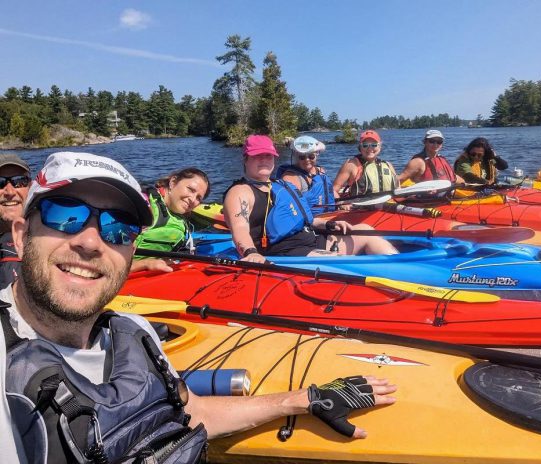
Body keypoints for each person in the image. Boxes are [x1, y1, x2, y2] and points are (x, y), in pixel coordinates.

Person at [1, 151, 396, 463]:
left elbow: (192, 412)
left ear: (130, 250)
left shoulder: (132, 333)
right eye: (64, 216)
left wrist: (300, 399)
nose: (90, 242)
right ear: (20, 237)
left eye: (116, 228)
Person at [224, 135, 399, 264]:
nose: (264, 160)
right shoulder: (241, 192)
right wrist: (251, 252)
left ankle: (402, 267)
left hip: (309, 239)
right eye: (257, 155)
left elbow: (303, 217)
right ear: (245, 159)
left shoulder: (278, 185)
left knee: (366, 231)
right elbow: (239, 228)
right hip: (285, 251)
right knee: (347, 262)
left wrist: (327, 225)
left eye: (268, 155)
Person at [131, 167, 210, 273]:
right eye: (190, 190)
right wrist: (145, 264)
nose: (192, 199)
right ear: (173, 182)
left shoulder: (179, 220)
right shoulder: (143, 205)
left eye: (198, 198)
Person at [276, 135, 336, 212]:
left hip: (328, 215)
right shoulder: (290, 177)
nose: (307, 160)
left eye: (311, 156)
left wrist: (341, 202)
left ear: (316, 155)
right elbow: (289, 208)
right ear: (296, 156)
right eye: (302, 157)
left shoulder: (320, 171)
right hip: (309, 221)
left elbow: (330, 191)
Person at [333, 130, 399, 198]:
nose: (370, 148)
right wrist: (341, 204)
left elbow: (398, 189)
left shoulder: (388, 165)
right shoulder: (351, 165)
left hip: (388, 204)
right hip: (360, 206)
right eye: (365, 145)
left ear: (380, 147)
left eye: (374, 145)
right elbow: (333, 190)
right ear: (360, 147)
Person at [0, 154, 31, 288]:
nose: (10, 192)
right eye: (0, 182)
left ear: (31, 187)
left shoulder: (50, 228)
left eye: (19, 181)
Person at [398, 129, 463, 185]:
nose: (435, 144)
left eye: (439, 142)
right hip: (425, 197)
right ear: (425, 142)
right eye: (432, 141)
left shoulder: (441, 159)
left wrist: (467, 184)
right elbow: (399, 180)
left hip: (445, 196)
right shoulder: (418, 162)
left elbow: (453, 177)